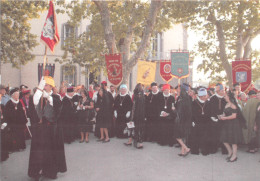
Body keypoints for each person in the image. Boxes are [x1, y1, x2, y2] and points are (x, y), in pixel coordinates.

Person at [28, 76, 66, 180]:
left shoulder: (56, 98)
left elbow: (58, 108)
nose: (45, 87)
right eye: (44, 85)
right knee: (39, 152)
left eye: (47, 85)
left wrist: (49, 98)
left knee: (51, 152)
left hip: (51, 129)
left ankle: (51, 172)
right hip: (40, 129)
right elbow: (34, 101)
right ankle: (37, 171)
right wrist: (40, 89)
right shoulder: (38, 96)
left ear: (51, 87)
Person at [219, 91, 244, 162]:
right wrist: (222, 116)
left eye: (225, 96)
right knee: (224, 139)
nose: (224, 97)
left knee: (233, 141)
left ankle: (234, 156)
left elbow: (234, 116)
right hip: (227, 124)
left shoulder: (233, 105)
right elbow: (225, 113)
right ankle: (230, 152)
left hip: (233, 124)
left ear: (229, 97)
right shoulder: (227, 104)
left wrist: (225, 118)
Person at [208, 83, 228, 154]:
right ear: (217, 91)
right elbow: (210, 109)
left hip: (224, 119)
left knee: (224, 134)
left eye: (224, 90)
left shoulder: (226, 98)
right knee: (214, 135)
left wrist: (224, 115)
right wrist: (214, 117)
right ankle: (214, 148)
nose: (223, 92)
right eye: (222, 90)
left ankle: (225, 149)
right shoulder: (212, 98)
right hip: (214, 119)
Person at [190, 88, 210, 155]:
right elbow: (191, 113)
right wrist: (192, 121)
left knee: (205, 137)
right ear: (200, 96)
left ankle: (204, 150)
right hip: (197, 123)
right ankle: (195, 150)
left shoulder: (207, 102)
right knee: (196, 137)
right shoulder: (194, 103)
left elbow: (209, 112)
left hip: (205, 123)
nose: (205, 97)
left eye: (205, 96)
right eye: (204, 96)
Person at [125, 83, 146, 149]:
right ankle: (138, 142)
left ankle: (136, 142)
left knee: (134, 128)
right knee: (139, 129)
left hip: (137, 114)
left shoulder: (136, 96)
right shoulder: (143, 96)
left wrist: (132, 115)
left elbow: (133, 106)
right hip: (141, 115)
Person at [174, 84, 192, 156]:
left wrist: (174, 110)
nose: (178, 90)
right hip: (186, 119)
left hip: (181, 120)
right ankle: (182, 152)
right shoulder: (187, 98)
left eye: (179, 88)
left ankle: (186, 148)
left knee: (178, 136)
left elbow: (180, 111)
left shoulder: (182, 99)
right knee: (183, 136)